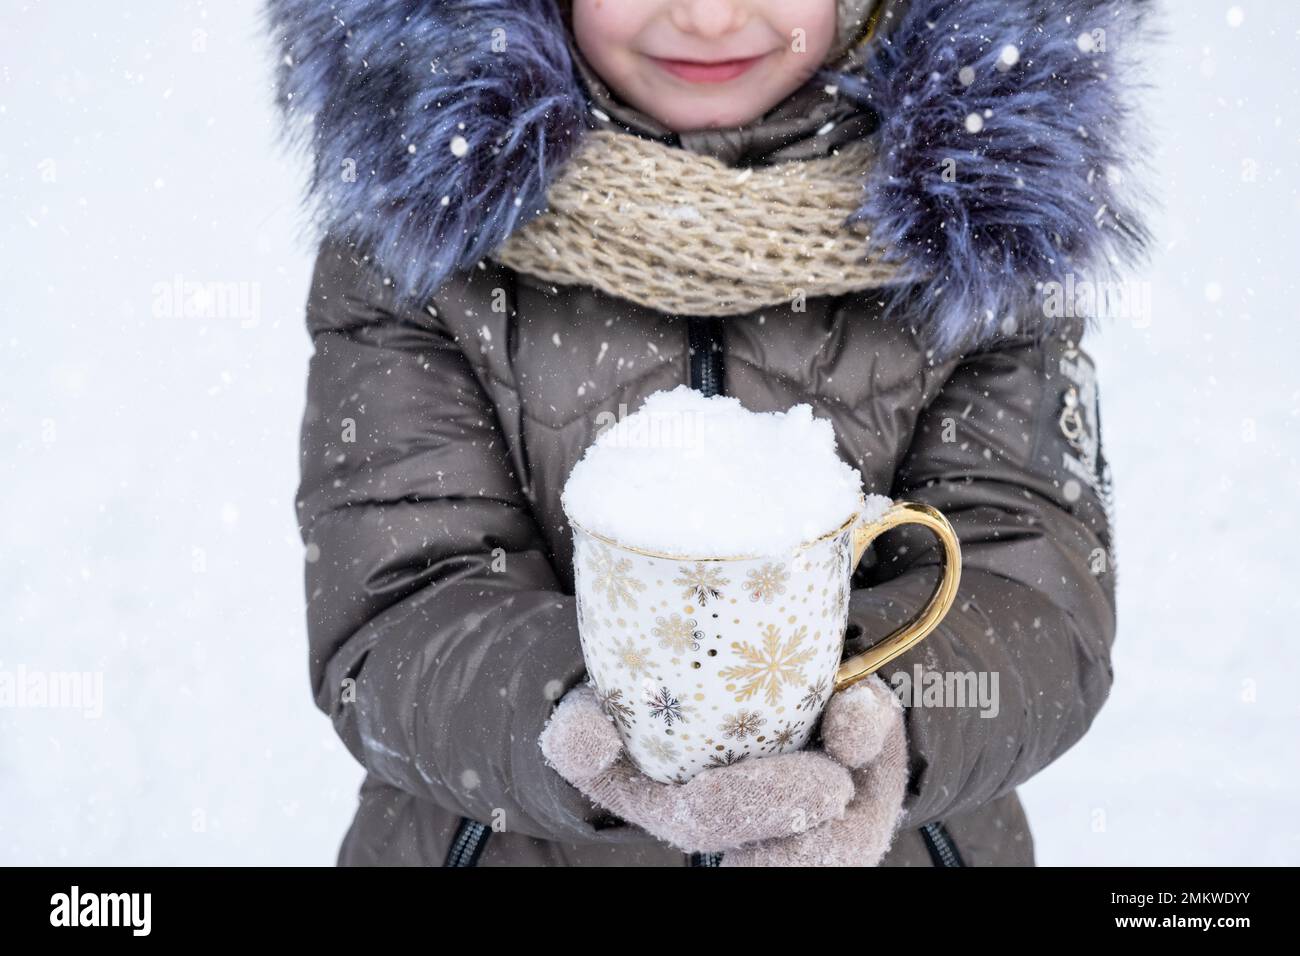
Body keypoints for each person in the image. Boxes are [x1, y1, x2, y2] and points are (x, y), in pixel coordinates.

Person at [270, 0, 1149, 865]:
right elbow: (402, 599)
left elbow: (1030, 577)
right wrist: (590, 722)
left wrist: (878, 719)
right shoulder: (419, 233)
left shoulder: (989, 222)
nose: (708, 16)